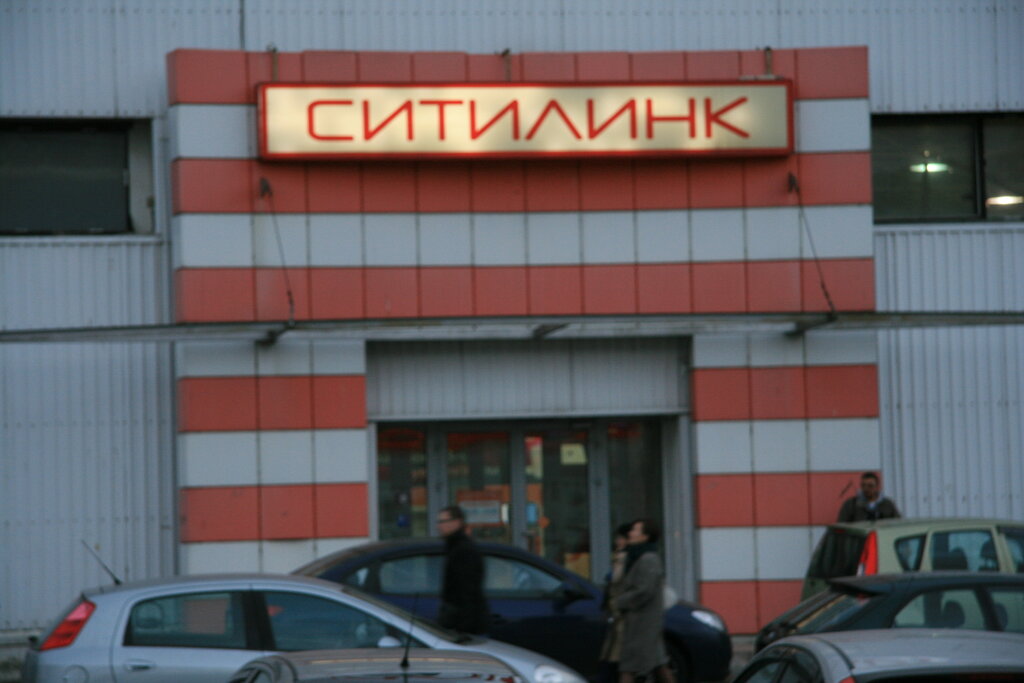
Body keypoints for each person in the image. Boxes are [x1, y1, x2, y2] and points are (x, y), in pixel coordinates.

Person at [615, 518, 675, 683]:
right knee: (659, 665)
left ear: (645, 536)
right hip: (642, 622)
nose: (630, 533)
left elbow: (644, 591)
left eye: (635, 530)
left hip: (642, 623)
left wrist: (621, 601)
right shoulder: (637, 557)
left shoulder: (648, 559)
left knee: (629, 667)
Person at [436, 505, 490, 633]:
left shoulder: (463, 550)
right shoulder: (454, 547)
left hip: (463, 623)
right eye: (439, 522)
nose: (439, 526)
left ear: (457, 522)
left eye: (443, 521)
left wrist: (462, 627)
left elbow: (467, 591)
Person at [598, 523, 633, 682]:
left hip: (621, 615)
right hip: (616, 614)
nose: (617, 541)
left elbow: (616, 579)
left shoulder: (626, 559)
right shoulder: (620, 557)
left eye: (620, 538)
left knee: (617, 658)